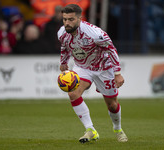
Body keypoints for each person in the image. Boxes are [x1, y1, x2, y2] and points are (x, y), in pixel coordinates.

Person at [57, 4, 128, 143]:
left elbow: (111, 49)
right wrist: (63, 61)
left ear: (79, 19)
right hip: (82, 67)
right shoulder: (61, 32)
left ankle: (118, 129)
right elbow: (64, 46)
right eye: (64, 19)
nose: (67, 23)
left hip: (103, 68)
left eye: (71, 19)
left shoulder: (95, 33)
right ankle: (91, 130)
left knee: (112, 105)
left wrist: (117, 73)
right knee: (72, 93)